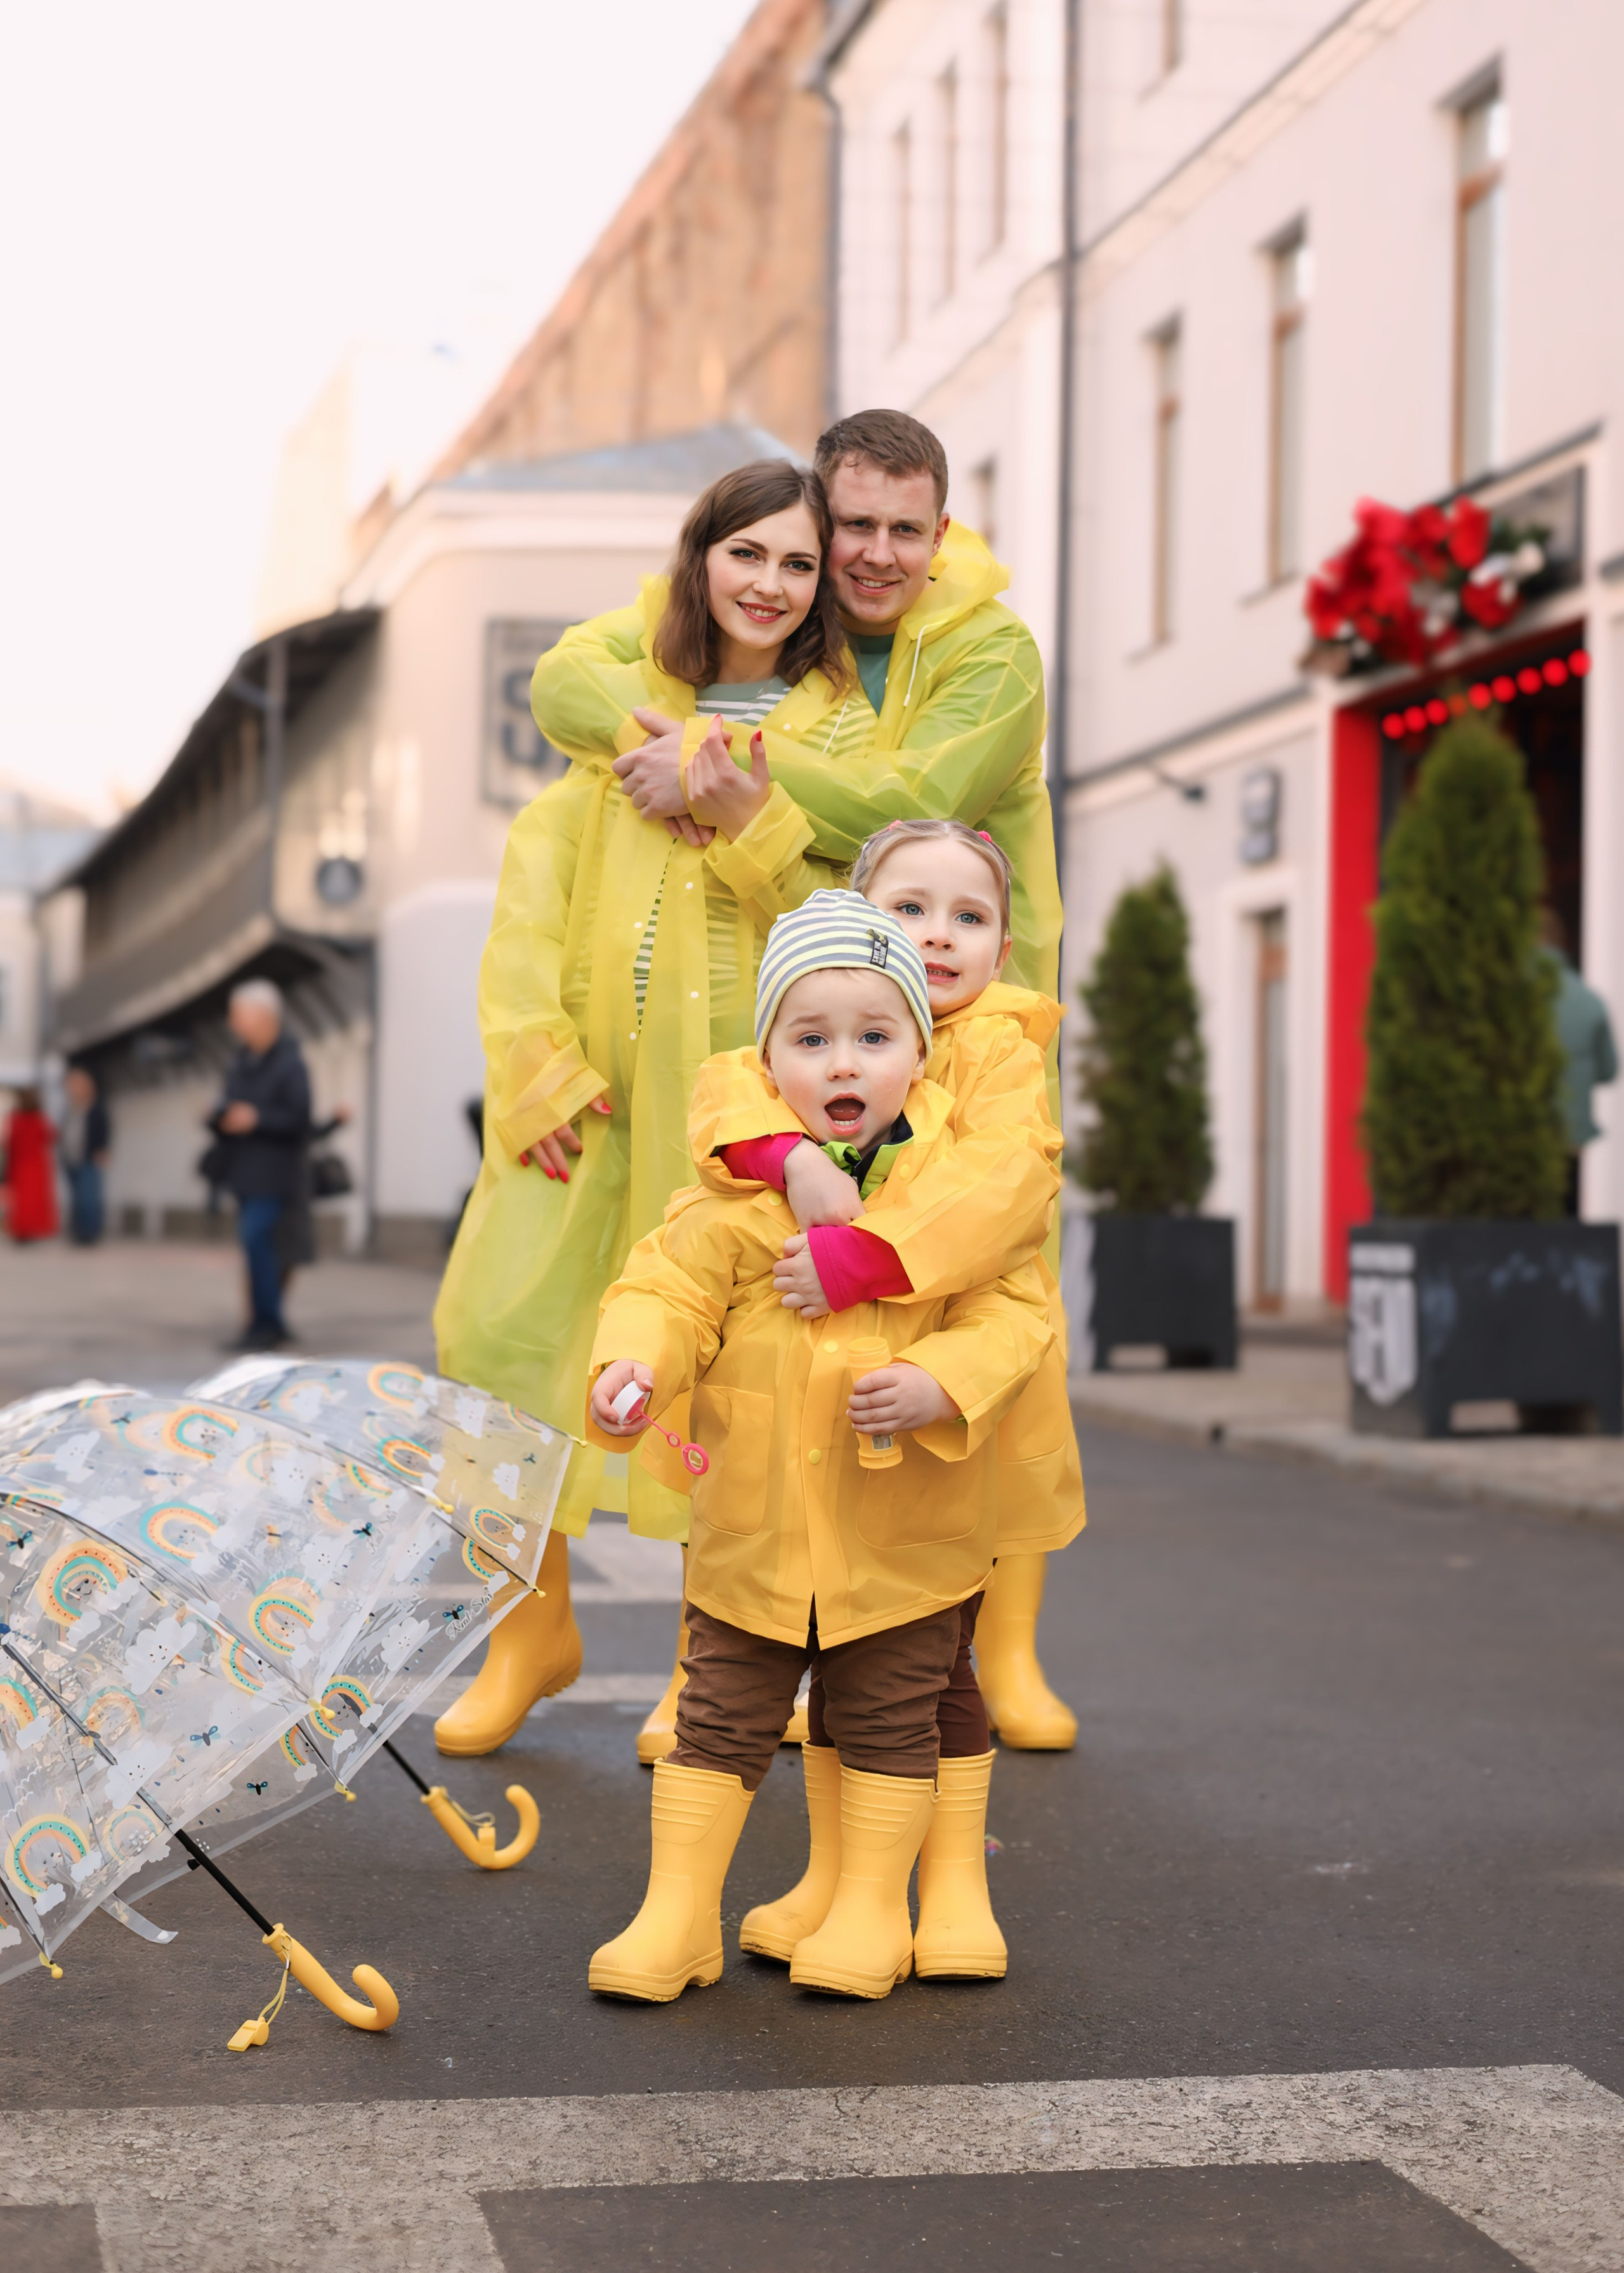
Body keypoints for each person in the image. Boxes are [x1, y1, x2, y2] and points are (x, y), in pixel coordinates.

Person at [510, 408, 1070, 1762]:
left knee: (996, 1299)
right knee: (796, 1333)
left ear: (939, 536)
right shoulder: (796, 638)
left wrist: (714, 764)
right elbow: (568, 678)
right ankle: (810, 1638)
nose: (869, 555)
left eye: (901, 530)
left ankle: (997, 1642)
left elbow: (909, 798)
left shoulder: (985, 649)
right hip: (848, 1023)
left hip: (981, 1000)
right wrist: (701, 737)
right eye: (851, 526)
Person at [433, 458, 858, 1760]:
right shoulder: (614, 713)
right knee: (504, 1341)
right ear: (699, 559)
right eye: (748, 554)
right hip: (590, 1119)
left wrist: (730, 809)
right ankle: (529, 1632)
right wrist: (535, 1059)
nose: (770, 585)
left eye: (798, 563)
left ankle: (710, 1673)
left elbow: (823, 923)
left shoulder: (833, 742)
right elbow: (532, 896)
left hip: (729, 1119)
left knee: (718, 1389)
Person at [586, 894, 1052, 2003]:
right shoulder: (735, 1204)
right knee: (717, 1718)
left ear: (919, 1059)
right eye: (811, 1037)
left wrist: (942, 1380)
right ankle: (678, 1916)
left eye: (875, 1035)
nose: (844, 1060)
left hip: (904, 1542)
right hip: (752, 1534)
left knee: (891, 1720)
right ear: (770, 1064)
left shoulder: (951, 1196)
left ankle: (866, 1911)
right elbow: (665, 1288)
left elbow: (1011, 1313)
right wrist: (633, 1365)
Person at [686, 819, 1086, 1975]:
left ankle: (951, 1886)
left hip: (969, 1380)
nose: (939, 935)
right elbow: (729, 1093)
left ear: (1006, 943)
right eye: (910, 908)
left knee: (929, 1646)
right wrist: (785, 1157)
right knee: (852, 1631)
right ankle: (841, 1875)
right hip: (848, 1399)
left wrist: (867, 1258)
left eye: (968, 917)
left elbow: (1000, 1188)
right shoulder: (833, 1013)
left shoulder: (1004, 1049)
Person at [207, 979, 311, 1352]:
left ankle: (265, 1323)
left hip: (275, 1174)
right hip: (246, 1173)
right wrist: (219, 1115)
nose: (234, 1024)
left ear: (263, 1016)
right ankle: (269, 1322)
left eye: (239, 1016)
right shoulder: (242, 1060)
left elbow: (300, 1117)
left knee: (258, 1242)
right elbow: (229, 1104)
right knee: (257, 1247)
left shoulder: (289, 1062)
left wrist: (257, 1118)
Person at [1540, 907, 1618, 1216]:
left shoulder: (1515, 997)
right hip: (1572, 1135)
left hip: (1521, 1131)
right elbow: (1609, 1071)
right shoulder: (1589, 1000)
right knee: (1566, 1221)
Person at [59, 1066, 112, 1246]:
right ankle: (78, 1231)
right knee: (76, 1197)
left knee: (89, 1197)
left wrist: (103, 1150)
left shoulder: (96, 1108)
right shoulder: (70, 1109)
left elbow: (104, 1131)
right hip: (71, 1158)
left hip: (89, 1158)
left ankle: (91, 1232)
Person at [3, 1088, 60, 1243]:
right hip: (35, 1163)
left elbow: (8, 1142)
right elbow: (52, 1137)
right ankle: (32, 1229)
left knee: (22, 1201)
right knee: (34, 1200)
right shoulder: (39, 1118)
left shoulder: (16, 1118)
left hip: (21, 1163)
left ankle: (23, 1230)